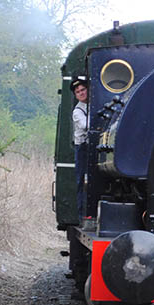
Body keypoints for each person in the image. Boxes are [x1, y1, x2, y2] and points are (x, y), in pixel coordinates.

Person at [71, 78, 89, 220]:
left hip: (91, 146)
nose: (81, 93)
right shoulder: (77, 111)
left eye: (83, 90)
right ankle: (82, 214)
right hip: (82, 148)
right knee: (81, 180)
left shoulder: (92, 105)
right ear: (76, 96)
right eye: (78, 92)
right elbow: (84, 125)